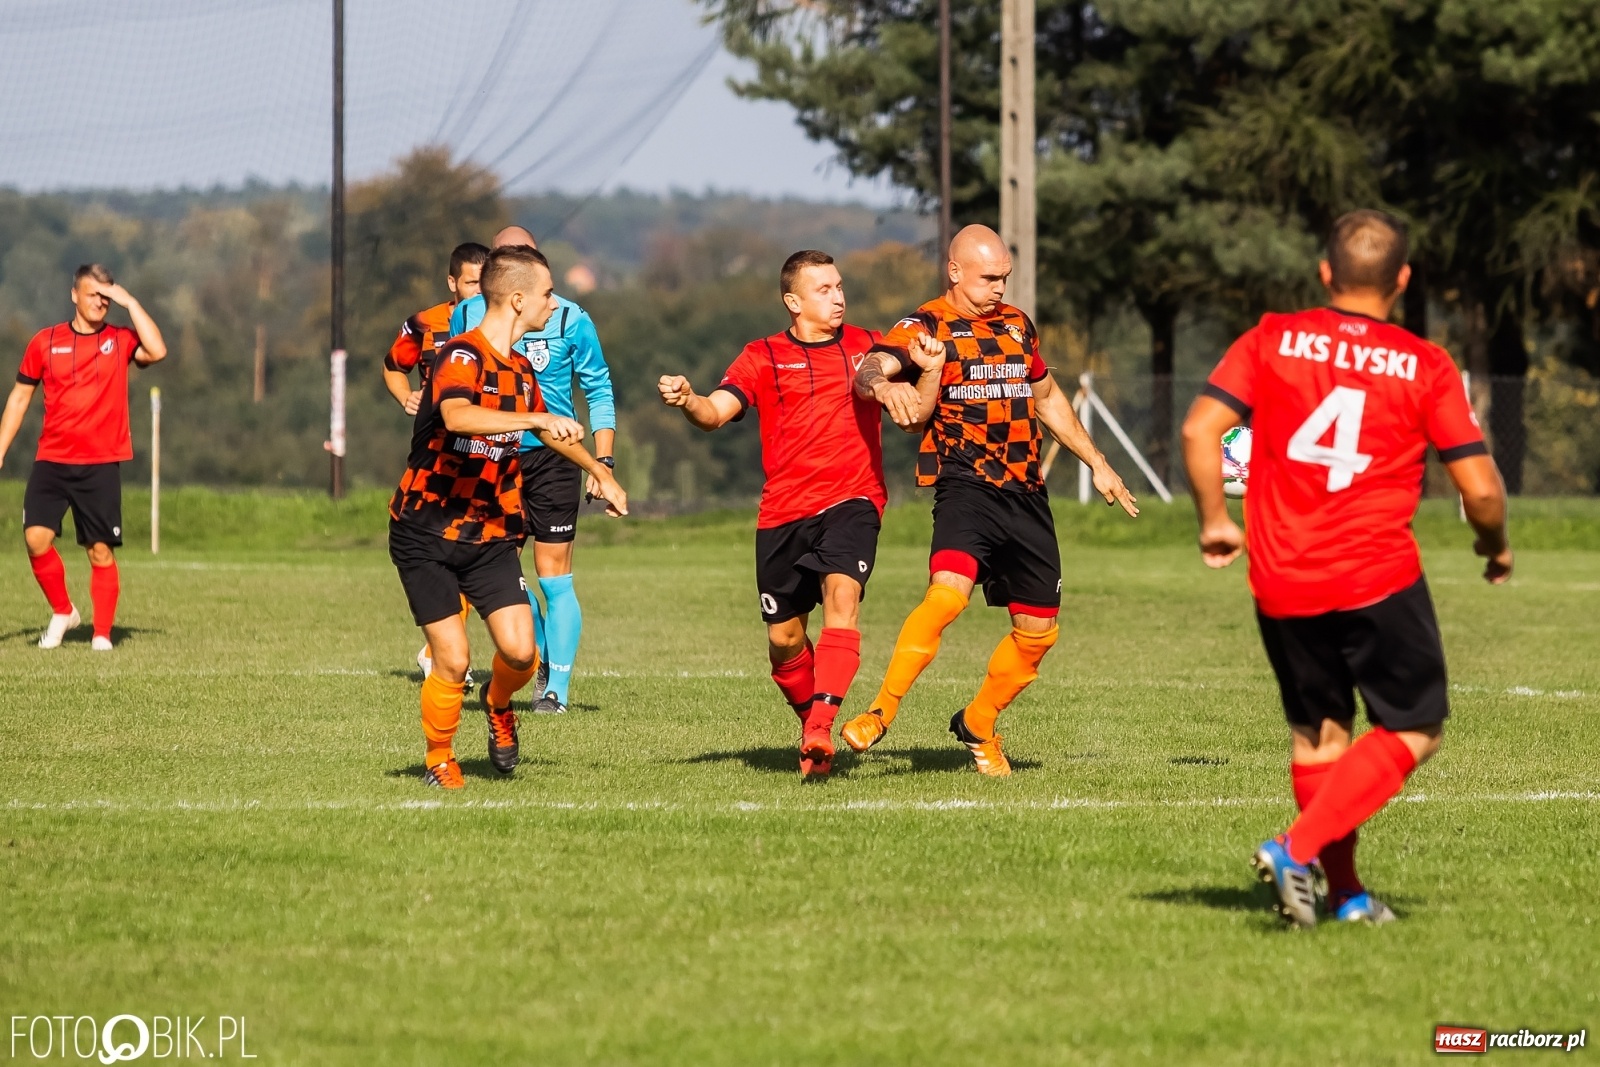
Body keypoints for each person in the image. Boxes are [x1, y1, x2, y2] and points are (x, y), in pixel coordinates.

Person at [1180, 209, 1512, 927]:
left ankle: (1349, 896)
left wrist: (1214, 517)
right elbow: (1481, 489)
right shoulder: (1425, 364)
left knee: (1320, 738)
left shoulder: (1270, 337)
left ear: (1326, 273)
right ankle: (1295, 849)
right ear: (1402, 280)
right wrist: (1495, 546)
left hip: (1282, 576)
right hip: (1375, 575)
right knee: (1416, 726)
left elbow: (1199, 427)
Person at [841, 225, 1139, 776]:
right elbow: (867, 368)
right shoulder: (925, 325)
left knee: (1039, 632)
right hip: (966, 486)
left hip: (1026, 494)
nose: (999, 287)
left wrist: (1097, 463)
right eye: (988, 278)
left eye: (1004, 277)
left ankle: (979, 723)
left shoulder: (1018, 325)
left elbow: (1047, 398)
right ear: (955, 272)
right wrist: (887, 386)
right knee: (946, 596)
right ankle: (879, 713)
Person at [388, 245, 627, 788]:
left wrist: (600, 472)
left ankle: (500, 706)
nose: (553, 303)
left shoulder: (520, 368)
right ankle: (439, 759)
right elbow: (459, 415)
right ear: (518, 299)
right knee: (452, 658)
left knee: (520, 654)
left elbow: (546, 430)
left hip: (491, 531)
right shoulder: (461, 356)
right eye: (546, 294)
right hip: (425, 530)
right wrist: (537, 414)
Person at [657, 250, 899, 777]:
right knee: (784, 639)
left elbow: (914, 367)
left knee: (843, 596)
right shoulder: (762, 355)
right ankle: (811, 718)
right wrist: (689, 399)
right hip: (783, 513)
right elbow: (717, 412)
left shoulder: (866, 346)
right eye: (823, 290)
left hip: (853, 500)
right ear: (793, 301)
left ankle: (818, 730)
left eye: (839, 287)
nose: (837, 297)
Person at [452, 226, 616, 715]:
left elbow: (600, 390)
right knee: (502, 571)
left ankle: (555, 691)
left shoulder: (570, 317)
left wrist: (602, 463)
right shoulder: (469, 314)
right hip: (491, 457)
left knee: (553, 576)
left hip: (553, 460)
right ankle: (538, 654)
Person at [0, 264, 167, 650]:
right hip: (52, 460)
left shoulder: (121, 340)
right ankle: (63, 611)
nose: (101, 303)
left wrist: (131, 302)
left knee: (99, 550)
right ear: (74, 294)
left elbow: (157, 350)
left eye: (107, 297)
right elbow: (20, 396)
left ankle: (103, 635)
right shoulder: (45, 342)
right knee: (35, 538)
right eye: (93, 294)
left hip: (100, 462)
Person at [383, 240, 490, 679]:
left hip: (487, 458)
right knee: (442, 549)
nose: (480, 292)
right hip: (436, 459)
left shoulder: (504, 329)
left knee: (477, 550)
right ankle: (440, 651)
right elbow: (392, 364)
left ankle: (441, 652)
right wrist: (406, 396)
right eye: (471, 284)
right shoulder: (425, 323)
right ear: (452, 283)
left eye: (487, 283)